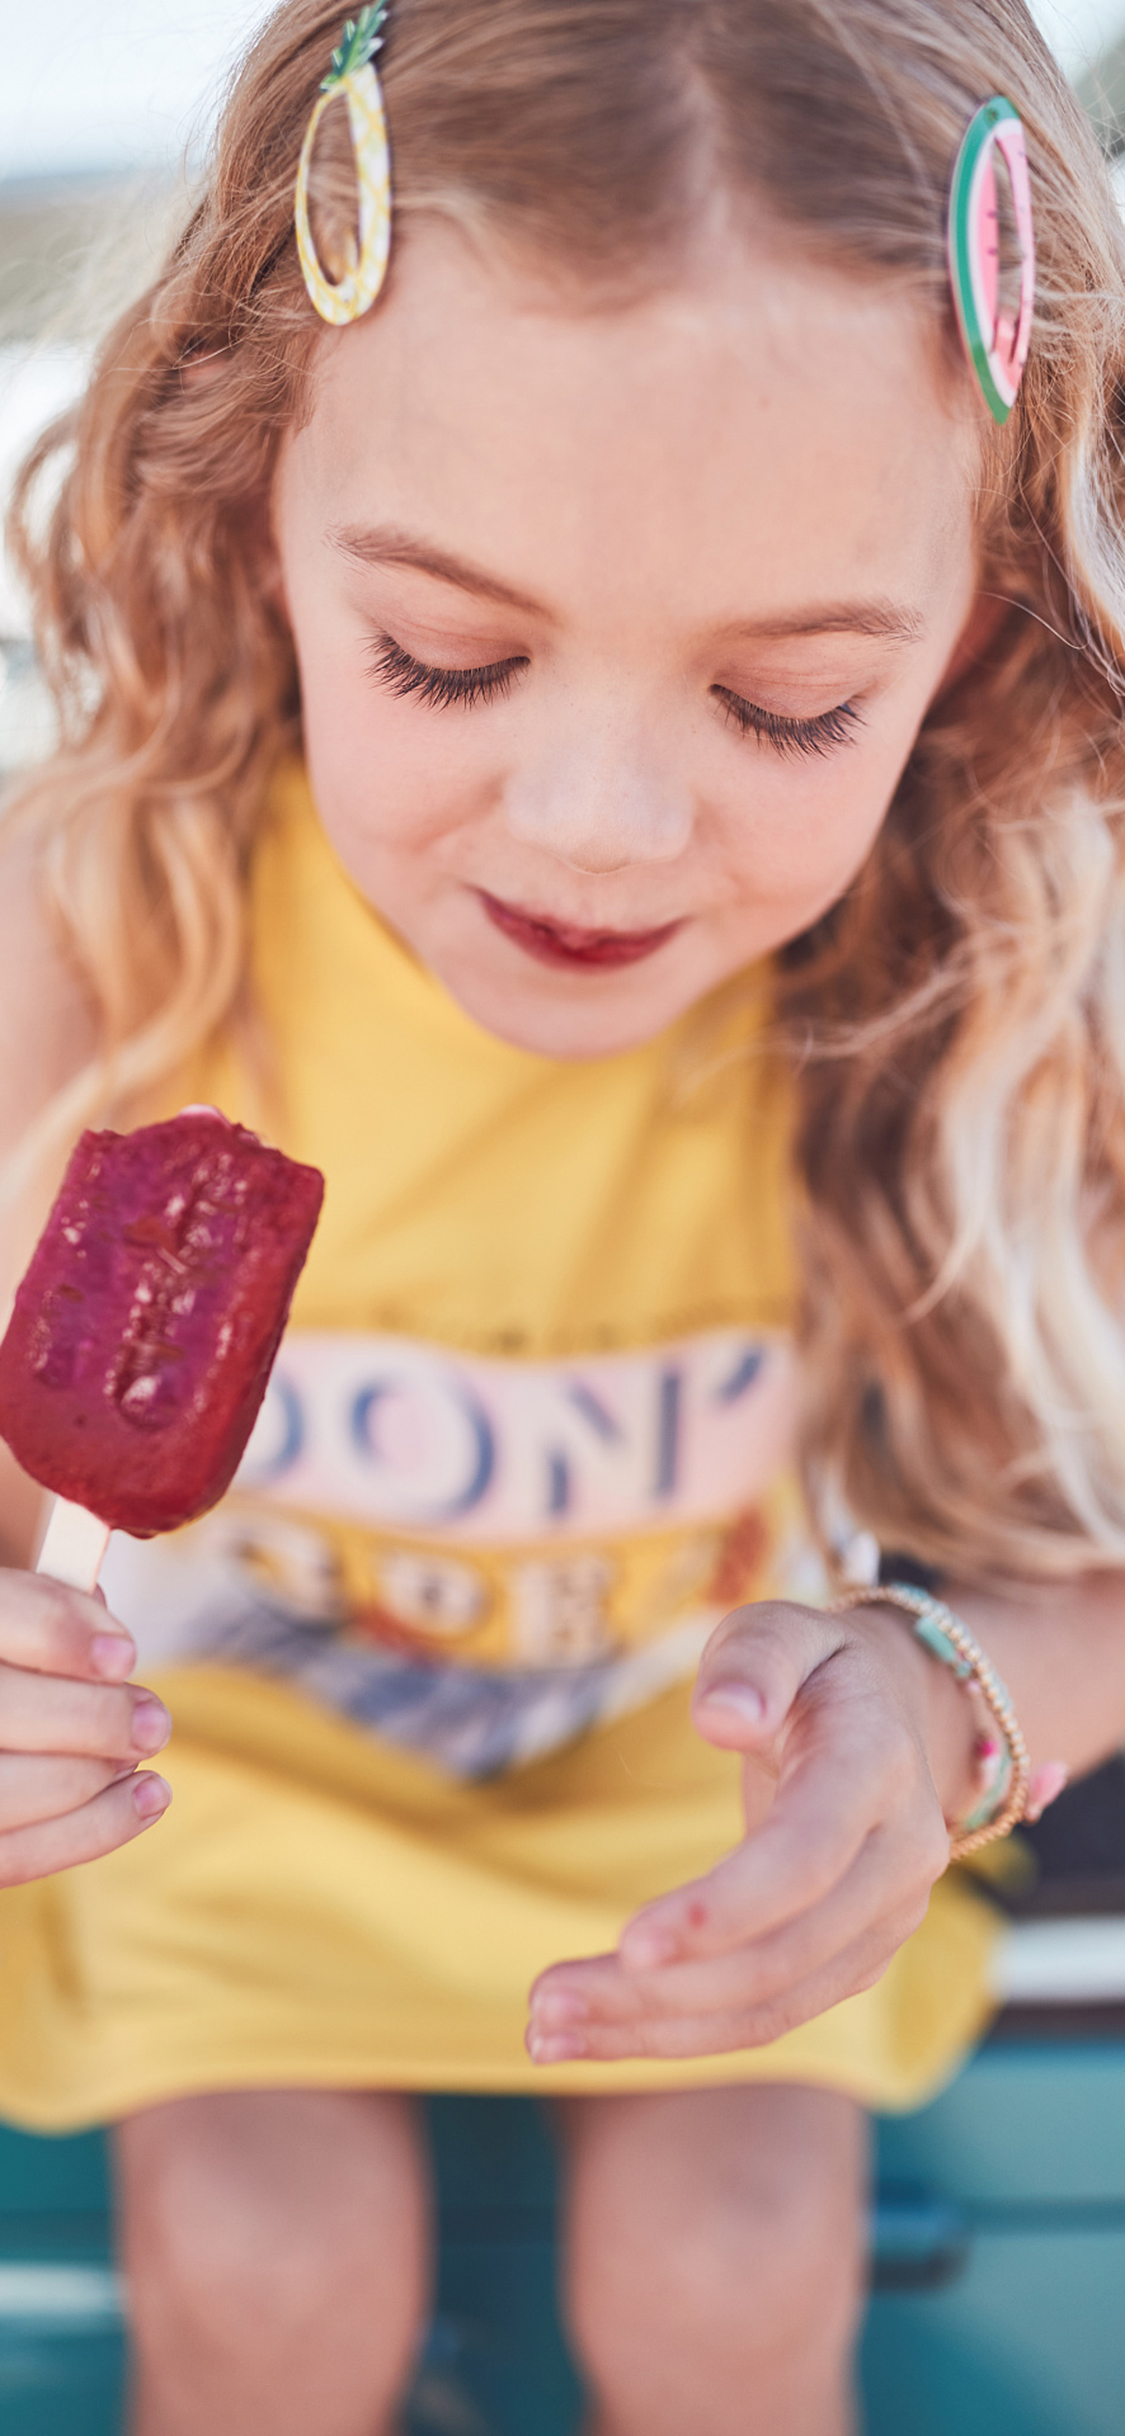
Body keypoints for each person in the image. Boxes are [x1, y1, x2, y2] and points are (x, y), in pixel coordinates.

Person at [1, 1, 1125, 2428]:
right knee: (258, 2261)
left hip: (698, 1791)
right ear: (252, 503)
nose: (596, 828)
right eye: (448, 656)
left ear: (973, 620)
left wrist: (956, 1704)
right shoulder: (96, 930)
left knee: (731, 2267)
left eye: (787, 703)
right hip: (213, 1782)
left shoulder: (1014, 973)